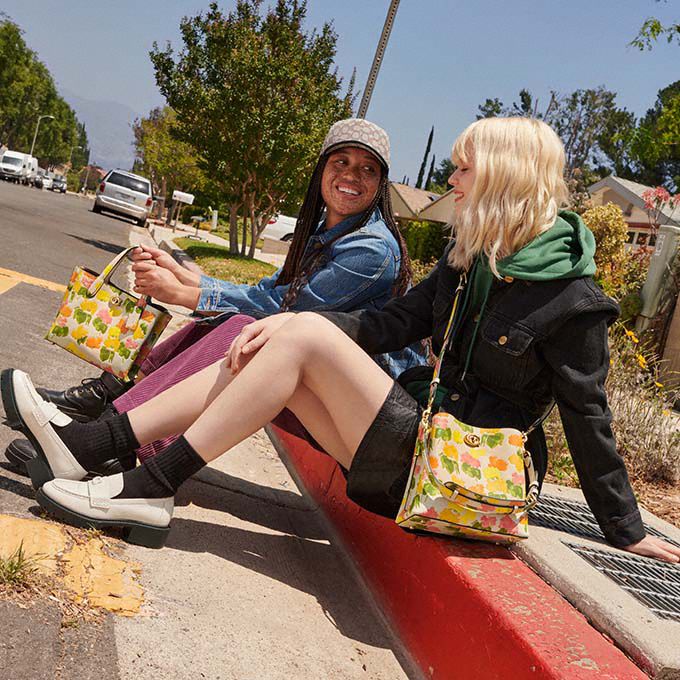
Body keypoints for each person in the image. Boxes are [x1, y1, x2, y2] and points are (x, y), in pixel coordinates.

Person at [6, 117, 678, 564]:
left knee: (296, 338)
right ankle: (97, 449)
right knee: (283, 344)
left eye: (463, 170)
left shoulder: (574, 299)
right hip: (414, 446)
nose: (450, 182)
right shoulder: (468, 260)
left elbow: (590, 417)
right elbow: (387, 326)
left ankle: (138, 476)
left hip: (463, 476)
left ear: (502, 176)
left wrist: (628, 530)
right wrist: (285, 327)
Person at [4, 118, 425, 472]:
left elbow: (286, 311)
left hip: (358, 410)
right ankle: (107, 402)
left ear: (381, 184)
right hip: (322, 392)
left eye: (368, 169)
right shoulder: (323, 234)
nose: (352, 175)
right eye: (341, 161)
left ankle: (108, 442)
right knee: (233, 321)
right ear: (321, 171)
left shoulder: (371, 249)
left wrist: (187, 295)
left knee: (244, 328)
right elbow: (266, 290)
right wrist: (186, 279)